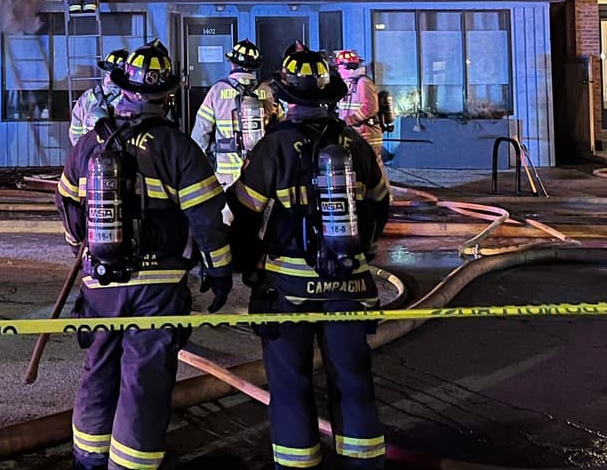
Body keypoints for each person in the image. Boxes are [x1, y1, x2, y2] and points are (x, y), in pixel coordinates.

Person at [56, 40, 231, 470]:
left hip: (101, 281)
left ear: (123, 89)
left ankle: (89, 458)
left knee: (98, 368)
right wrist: (220, 269)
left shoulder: (90, 145)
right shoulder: (177, 147)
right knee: (145, 381)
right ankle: (131, 465)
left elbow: (66, 204)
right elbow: (207, 218)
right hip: (159, 286)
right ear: (167, 96)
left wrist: (88, 245)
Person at [229, 45, 391, 470]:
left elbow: (245, 215)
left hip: (288, 289)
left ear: (285, 97)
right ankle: (363, 461)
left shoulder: (273, 147)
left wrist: (245, 265)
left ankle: (297, 463)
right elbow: (379, 204)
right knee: (354, 380)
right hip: (349, 282)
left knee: (290, 382)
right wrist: (362, 251)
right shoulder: (353, 144)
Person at [190, 39, 278, 188]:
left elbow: (201, 133)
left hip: (227, 176)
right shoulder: (267, 91)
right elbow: (280, 126)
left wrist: (196, 168)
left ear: (232, 63)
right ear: (255, 67)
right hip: (261, 172)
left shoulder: (217, 91)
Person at [335, 48, 395, 171]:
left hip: (367, 133)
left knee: (373, 168)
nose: (337, 70)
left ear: (347, 67)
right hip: (356, 133)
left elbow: (370, 108)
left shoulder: (363, 82)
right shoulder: (348, 84)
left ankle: (381, 190)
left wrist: (349, 121)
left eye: (338, 67)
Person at [69, 48, 129, 148]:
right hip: (115, 159)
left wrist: (83, 152)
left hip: (87, 156)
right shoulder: (129, 99)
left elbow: (75, 133)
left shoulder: (88, 96)